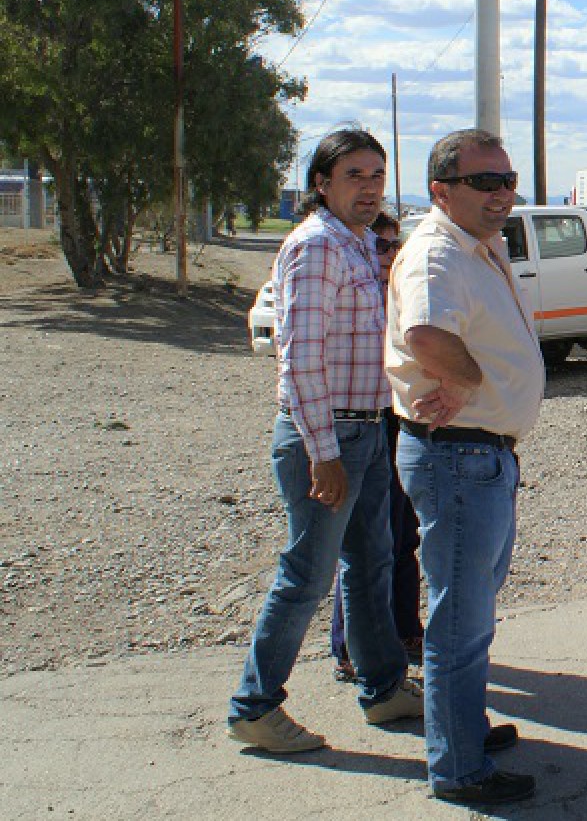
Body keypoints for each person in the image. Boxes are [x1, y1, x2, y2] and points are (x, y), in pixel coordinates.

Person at [226, 129, 421, 754]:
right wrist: (323, 453)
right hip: (327, 433)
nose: (369, 188)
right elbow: (300, 361)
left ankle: (383, 687)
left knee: (371, 565)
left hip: (363, 427)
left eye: (376, 175)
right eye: (354, 176)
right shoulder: (316, 247)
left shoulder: (359, 242)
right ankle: (255, 707)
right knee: (307, 574)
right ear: (321, 183)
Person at [387, 129, 545, 806]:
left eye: (507, 179)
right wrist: (471, 380)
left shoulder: (476, 246)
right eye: (485, 182)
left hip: (481, 455)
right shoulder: (437, 253)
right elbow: (425, 333)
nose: (502, 192)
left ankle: (465, 730)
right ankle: (457, 768)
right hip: (458, 456)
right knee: (458, 620)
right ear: (441, 190)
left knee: (472, 612)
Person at [329, 212, 425, 681]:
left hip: (400, 425)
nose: (388, 255)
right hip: (363, 426)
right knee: (365, 547)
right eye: (380, 246)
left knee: (404, 536)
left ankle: (406, 631)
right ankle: (351, 649)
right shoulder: (355, 299)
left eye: (393, 246)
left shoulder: (402, 294)